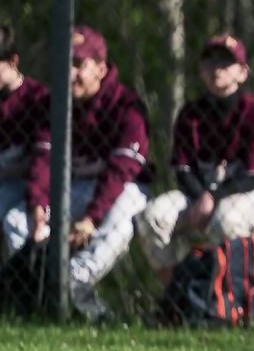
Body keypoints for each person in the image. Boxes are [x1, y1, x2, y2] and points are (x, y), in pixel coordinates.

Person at [4, 26, 152, 320]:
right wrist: (37, 207)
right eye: (64, 64)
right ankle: (41, 287)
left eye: (78, 65)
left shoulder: (126, 105)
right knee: (15, 219)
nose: (70, 74)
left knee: (119, 223)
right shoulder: (56, 104)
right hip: (74, 187)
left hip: (122, 188)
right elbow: (43, 159)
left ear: (100, 68)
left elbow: (121, 171)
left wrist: (90, 219)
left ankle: (75, 282)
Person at [136, 33, 254, 286]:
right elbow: (182, 170)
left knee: (225, 221)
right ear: (201, 70)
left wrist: (211, 198)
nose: (217, 69)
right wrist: (202, 197)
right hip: (200, 195)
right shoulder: (191, 114)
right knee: (152, 218)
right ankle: (178, 295)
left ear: (243, 73)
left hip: (252, 195)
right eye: (210, 62)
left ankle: (228, 299)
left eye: (226, 63)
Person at [0, 25, 51, 258]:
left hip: (30, 186)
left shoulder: (37, 98)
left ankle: (25, 291)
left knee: (16, 224)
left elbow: (42, 160)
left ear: (13, 61)